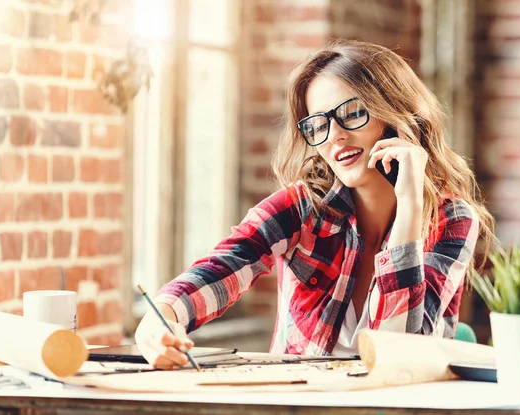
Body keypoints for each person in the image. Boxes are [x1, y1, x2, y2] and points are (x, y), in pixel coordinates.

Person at [135, 39, 495, 369]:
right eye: (317, 124)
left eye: (353, 112)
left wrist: (411, 204)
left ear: (396, 114)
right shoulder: (302, 208)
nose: (335, 135)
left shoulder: (452, 219)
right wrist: (161, 319)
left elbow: (400, 353)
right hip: (303, 402)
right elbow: (226, 264)